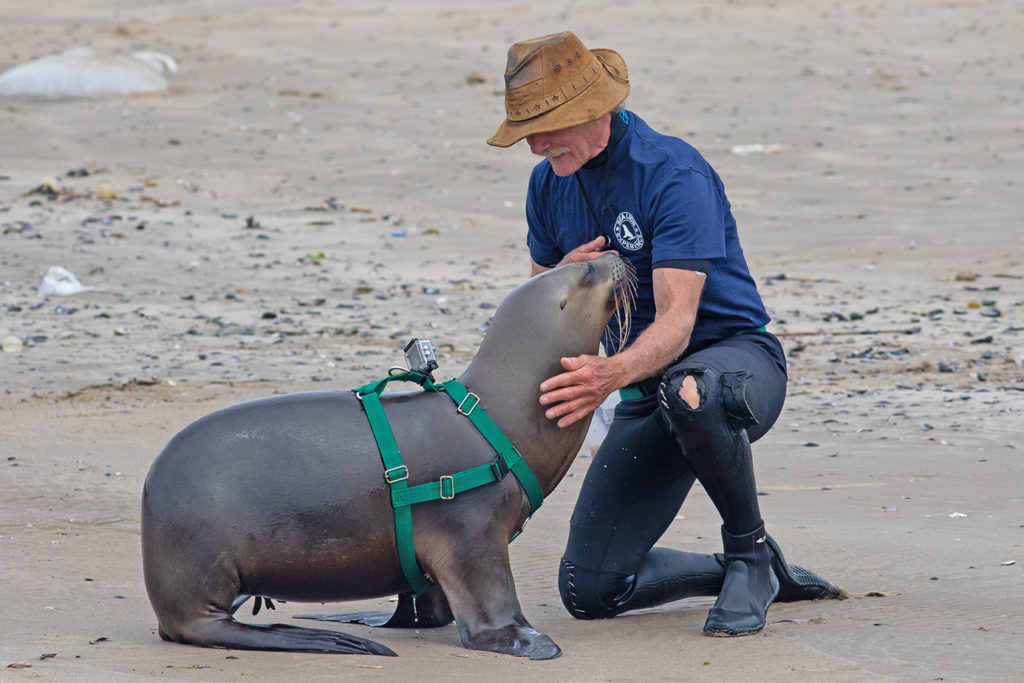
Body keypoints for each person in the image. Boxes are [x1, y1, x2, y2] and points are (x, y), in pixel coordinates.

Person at [488, 31, 843, 636]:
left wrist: (608, 375)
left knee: (690, 389)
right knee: (590, 590)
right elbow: (541, 303)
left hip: (734, 363)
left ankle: (749, 550)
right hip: (641, 385)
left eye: (547, 125)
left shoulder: (672, 172)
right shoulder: (547, 182)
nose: (535, 145)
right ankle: (735, 570)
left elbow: (678, 324)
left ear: (594, 110)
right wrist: (565, 280)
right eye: (527, 130)